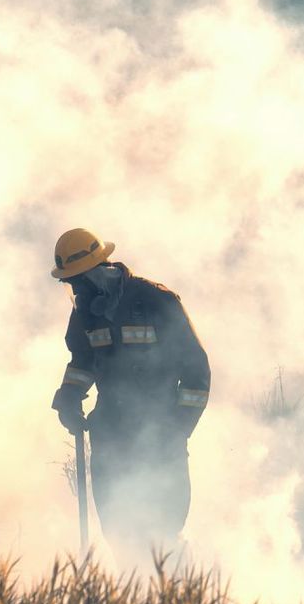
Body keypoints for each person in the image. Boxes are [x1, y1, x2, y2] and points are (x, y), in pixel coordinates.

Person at [49, 228, 210, 564]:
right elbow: (82, 361)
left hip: (161, 436)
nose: (74, 289)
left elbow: (196, 372)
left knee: (163, 533)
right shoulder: (86, 314)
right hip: (111, 437)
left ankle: (178, 598)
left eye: (76, 281)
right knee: (120, 532)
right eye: (69, 283)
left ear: (96, 272)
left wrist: (177, 429)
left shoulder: (156, 301)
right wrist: (69, 396)